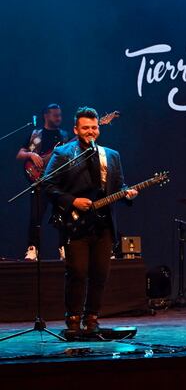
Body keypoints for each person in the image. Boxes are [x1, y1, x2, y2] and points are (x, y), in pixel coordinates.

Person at [41, 107, 138, 334]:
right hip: (75, 223)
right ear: (76, 129)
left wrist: (127, 193)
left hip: (104, 224)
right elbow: (47, 185)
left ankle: (92, 318)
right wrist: (72, 201)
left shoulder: (111, 155)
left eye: (94, 127)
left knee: (100, 274)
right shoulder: (64, 153)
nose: (91, 132)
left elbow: (119, 186)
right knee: (77, 271)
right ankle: (73, 320)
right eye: (86, 128)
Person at [16, 104, 67, 261]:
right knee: (36, 216)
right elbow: (20, 155)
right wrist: (32, 154)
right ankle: (33, 249)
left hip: (58, 180)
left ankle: (63, 248)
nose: (59, 118)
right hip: (39, 180)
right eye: (55, 115)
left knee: (63, 215)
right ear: (46, 115)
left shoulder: (64, 135)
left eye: (60, 115)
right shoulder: (35, 134)